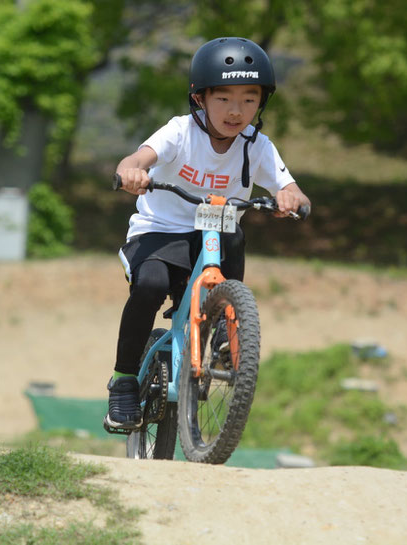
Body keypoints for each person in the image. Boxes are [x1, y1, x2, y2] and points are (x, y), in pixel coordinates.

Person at [105, 37, 311, 430]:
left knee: (231, 233)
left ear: (261, 103)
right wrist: (132, 171)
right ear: (200, 98)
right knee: (150, 285)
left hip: (213, 234)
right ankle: (124, 380)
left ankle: (223, 327)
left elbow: (291, 188)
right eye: (224, 99)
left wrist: (291, 198)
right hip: (159, 231)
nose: (237, 111)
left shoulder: (257, 146)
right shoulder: (179, 132)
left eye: (249, 100)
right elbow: (136, 158)